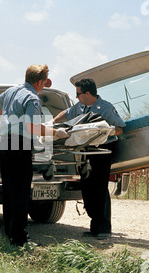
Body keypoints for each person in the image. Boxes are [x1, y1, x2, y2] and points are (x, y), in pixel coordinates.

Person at [0, 64, 69, 246]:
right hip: (20, 144)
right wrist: (56, 133)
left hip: (5, 142)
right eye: (44, 82)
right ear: (38, 81)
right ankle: (20, 238)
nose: (44, 86)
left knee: (10, 190)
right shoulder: (32, 98)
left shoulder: (12, 91)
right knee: (21, 192)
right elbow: (33, 127)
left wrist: (1, 122)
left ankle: (10, 233)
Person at [53, 78, 126, 240]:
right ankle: (94, 227)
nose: (76, 96)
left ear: (87, 93)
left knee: (99, 187)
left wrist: (105, 131)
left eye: (78, 94)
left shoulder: (106, 108)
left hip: (102, 150)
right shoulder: (80, 106)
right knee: (87, 187)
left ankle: (104, 228)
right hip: (86, 151)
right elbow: (67, 114)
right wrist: (52, 123)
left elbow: (120, 128)